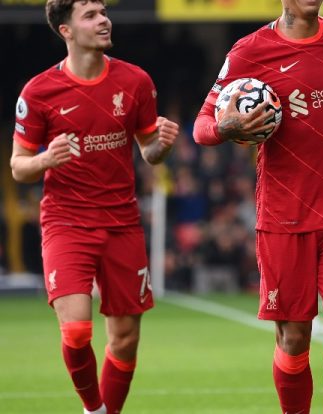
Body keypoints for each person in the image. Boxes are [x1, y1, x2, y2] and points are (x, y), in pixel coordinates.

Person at [193, 1, 323, 413]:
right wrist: (224, 128)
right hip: (283, 217)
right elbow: (201, 126)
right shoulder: (249, 51)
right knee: (293, 337)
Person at [10, 1, 179, 413]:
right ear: (65, 30)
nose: (103, 19)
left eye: (103, 11)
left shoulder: (135, 81)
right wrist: (45, 160)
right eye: (90, 15)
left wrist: (161, 146)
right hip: (66, 222)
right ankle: (94, 408)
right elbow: (18, 167)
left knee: (125, 338)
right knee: (76, 331)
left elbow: (148, 152)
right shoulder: (39, 92)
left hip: (122, 222)